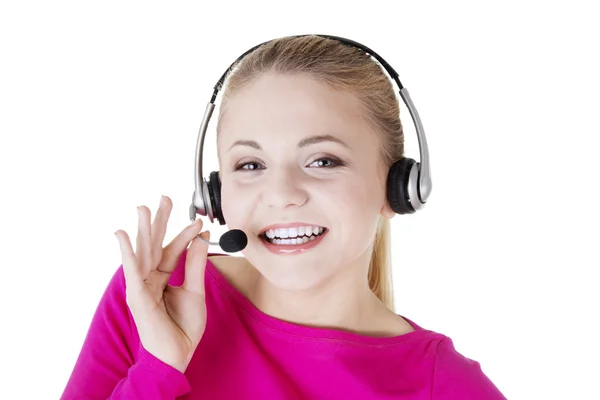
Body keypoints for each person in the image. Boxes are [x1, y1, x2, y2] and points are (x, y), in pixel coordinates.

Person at [61, 34, 507, 399]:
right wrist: (157, 368)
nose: (281, 195)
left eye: (323, 161)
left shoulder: (441, 385)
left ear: (399, 189)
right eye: (250, 166)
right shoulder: (153, 297)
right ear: (215, 196)